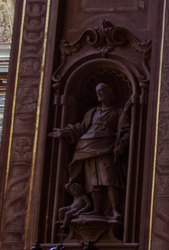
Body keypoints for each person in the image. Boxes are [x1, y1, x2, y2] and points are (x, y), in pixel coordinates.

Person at [49, 82, 130, 220]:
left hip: (106, 147)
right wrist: (65, 132)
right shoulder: (92, 112)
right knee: (94, 182)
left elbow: (126, 130)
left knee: (109, 179)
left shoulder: (118, 111)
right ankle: (97, 210)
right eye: (97, 91)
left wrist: (122, 143)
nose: (98, 93)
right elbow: (81, 127)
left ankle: (115, 210)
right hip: (86, 148)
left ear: (109, 92)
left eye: (102, 91)